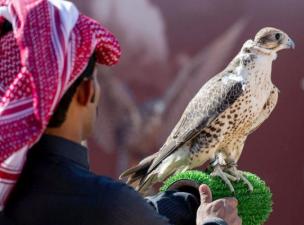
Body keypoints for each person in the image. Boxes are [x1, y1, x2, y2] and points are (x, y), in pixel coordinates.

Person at [0, 0, 241, 225]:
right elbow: (111, 208)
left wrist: (179, 203)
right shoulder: (107, 204)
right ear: (86, 93)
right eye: (95, 79)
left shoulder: (13, 191)